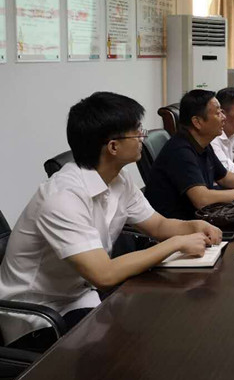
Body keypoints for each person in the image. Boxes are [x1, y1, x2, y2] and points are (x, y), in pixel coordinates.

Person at [0, 92, 222, 349]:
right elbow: (103, 275)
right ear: (113, 147)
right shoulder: (61, 197)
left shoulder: (119, 179)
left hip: (79, 296)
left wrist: (194, 226)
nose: (143, 137)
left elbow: (158, 225)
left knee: (160, 326)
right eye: (136, 132)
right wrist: (176, 243)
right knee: (137, 344)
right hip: (37, 317)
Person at [145, 89, 234, 221]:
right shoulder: (180, 151)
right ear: (197, 122)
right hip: (180, 224)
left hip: (201, 218)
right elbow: (202, 199)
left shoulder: (202, 143)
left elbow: (225, 178)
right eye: (218, 113)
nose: (224, 117)